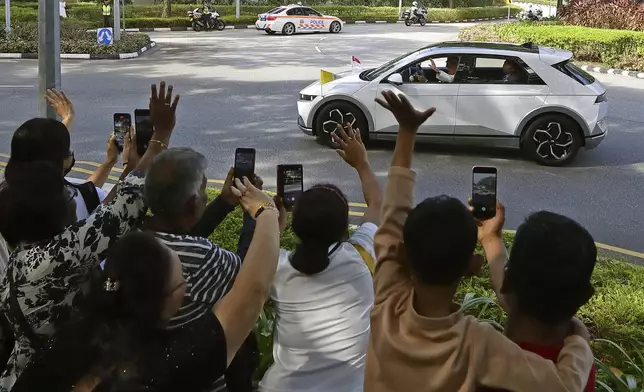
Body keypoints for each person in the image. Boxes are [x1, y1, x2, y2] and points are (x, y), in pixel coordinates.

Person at [363, 90, 595, 392]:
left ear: (401, 253)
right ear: (474, 266)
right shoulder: (480, 345)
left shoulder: (387, 301)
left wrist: (406, 132)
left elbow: (393, 215)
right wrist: (578, 341)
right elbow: (563, 385)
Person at [11, 175, 282, 392]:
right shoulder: (169, 363)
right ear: (162, 300)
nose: (185, 287)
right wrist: (266, 212)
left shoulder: (70, 340)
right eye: (181, 283)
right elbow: (253, 292)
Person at [0, 81, 179, 391]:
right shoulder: (57, 257)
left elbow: (103, 215)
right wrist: (161, 136)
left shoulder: (22, 260)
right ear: (52, 212)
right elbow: (124, 206)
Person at [259, 123, 382, 392]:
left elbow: (256, 261)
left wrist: (275, 227)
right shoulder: (360, 256)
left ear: (294, 226)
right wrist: (361, 163)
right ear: (344, 229)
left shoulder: (275, 266)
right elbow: (376, 203)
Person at [141, 148, 262, 392]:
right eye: (204, 191)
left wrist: (224, 203)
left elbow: (180, 236)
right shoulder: (205, 258)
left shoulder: (132, 240)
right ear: (194, 203)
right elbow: (249, 272)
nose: (206, 196)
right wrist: (257, 217)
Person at [475, 205, 598, 392]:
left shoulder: (491, 370)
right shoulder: (579, 365)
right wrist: (491, 238)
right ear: (584, 297)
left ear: (508, 280)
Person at [43, 88, 115, 218]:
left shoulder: (9, 193)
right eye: (68, 150)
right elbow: (119, 209)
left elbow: (88, 194)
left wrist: (109, 161)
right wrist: (130, 166)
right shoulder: (71, 202)